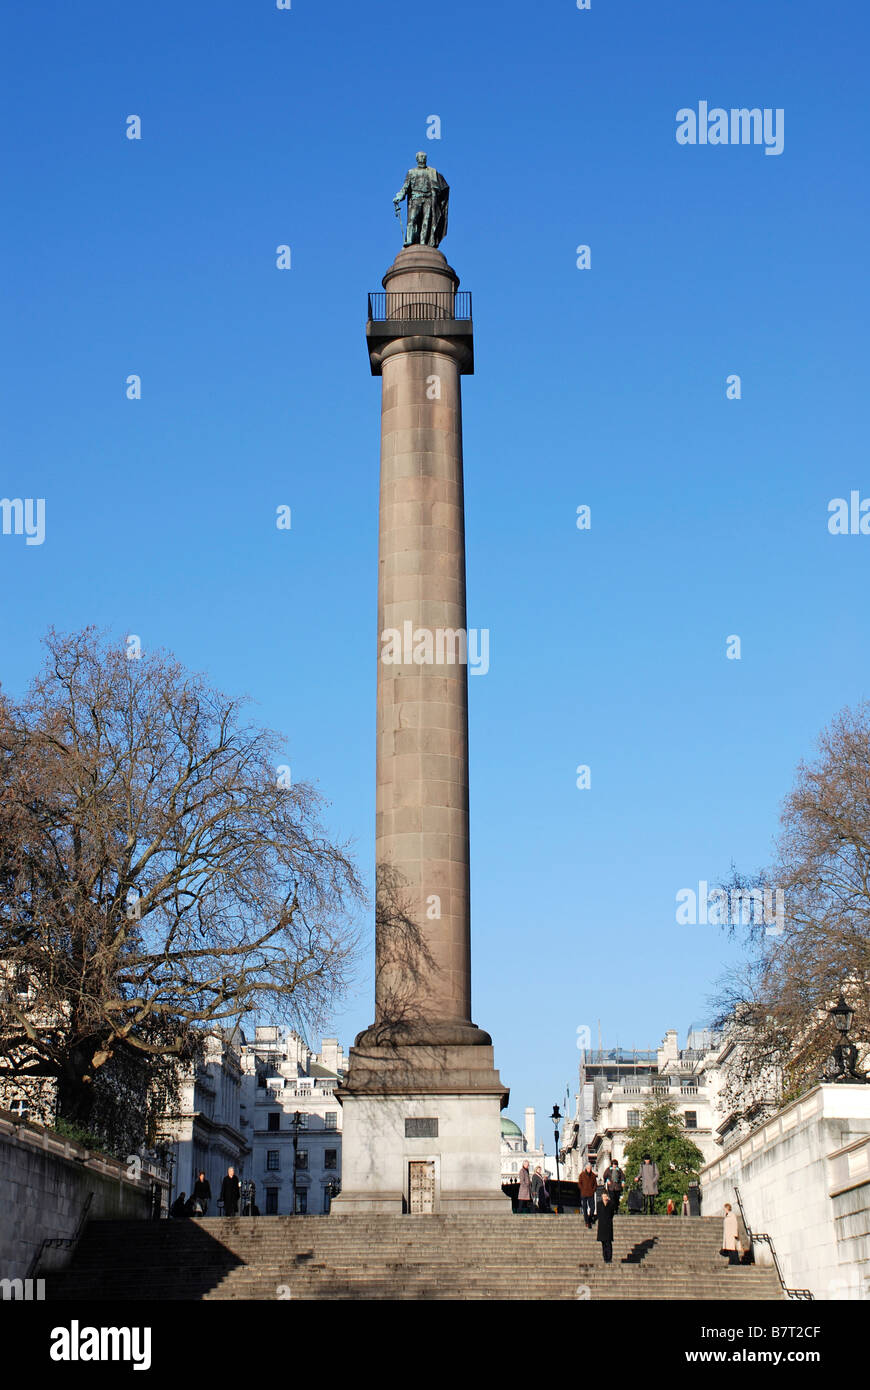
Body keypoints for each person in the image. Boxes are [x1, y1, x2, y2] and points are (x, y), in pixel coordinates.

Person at [595, 1190, 615, 1263]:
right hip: (602, 1226)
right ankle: (605, 1257)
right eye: (603, 1196)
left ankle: (609, 1258)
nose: (604, 1197)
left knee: (608, 1243)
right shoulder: (599, 1204)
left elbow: (612, 1213)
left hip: (608, 1225)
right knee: (603, 1243)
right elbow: (598, 1214)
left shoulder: (611, 1204)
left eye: (605, 1196)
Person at [578, 1161, 597, 1228]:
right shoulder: (582, 1175)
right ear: (586, 1168)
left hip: (591, 1193)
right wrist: (582, 1189)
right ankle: (587, 1221)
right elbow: (579, 1183)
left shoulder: (593, 1175)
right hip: (584, 1193)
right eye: (588, 1168)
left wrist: (593, 1190)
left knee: (592, 1207)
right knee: (584, 1207)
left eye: (590, 1168)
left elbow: (595, 1184)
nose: (589, 1169)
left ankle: (590, 1218)